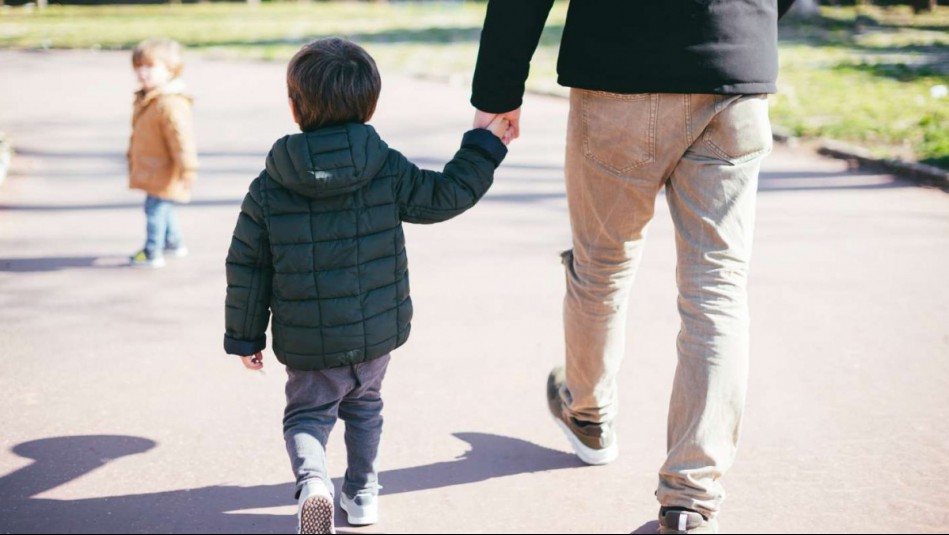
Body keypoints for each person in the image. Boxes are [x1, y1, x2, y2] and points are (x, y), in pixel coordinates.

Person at [470, 2, 796, 533]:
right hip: (734, 70)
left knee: (601, 264)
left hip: (618, 63)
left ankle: (589, 413)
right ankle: (690, 500)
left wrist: (497, 93)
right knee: (717, 289)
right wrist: (743, 27)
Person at [223, 37, 509, 535]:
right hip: (376, 333)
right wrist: (484, 145)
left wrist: (245, 337)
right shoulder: (385, 167)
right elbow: (444, 196)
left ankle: (314, 483)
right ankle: (362, 494)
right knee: (366, 407)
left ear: (294, 108)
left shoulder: (269, 186)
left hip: (309, 342)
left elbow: (248, 266)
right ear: (370, 105)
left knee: (308, 417)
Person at [127, 38, 197, 269]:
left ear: (170, 71)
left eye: (149, 67)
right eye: (138, 67)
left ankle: (152, 251)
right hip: (154, 168)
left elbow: (182, 140)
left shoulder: (169, 104)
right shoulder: (148, 98)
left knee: (155, 209)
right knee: (164, 207)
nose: (142, 72)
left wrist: (188, 168)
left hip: (164, 170)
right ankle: (173, 242)